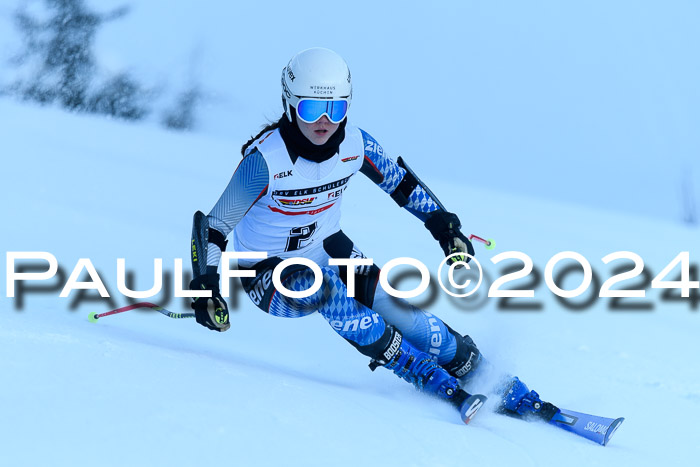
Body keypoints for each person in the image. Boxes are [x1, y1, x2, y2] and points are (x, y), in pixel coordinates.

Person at [188, 47, 555, 422]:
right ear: (289, 104)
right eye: (311, 109)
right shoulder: (264, 162)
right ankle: (418, 370)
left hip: (330, 248)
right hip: (266, 271)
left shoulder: (355, 145)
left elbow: (403, 186)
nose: (325, 122)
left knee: (405, 316)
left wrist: (444, 228)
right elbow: (214, 227)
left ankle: (493, 378)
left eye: (337, 109)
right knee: (325, 287)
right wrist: (205, 287)